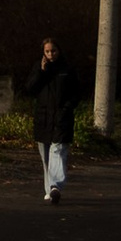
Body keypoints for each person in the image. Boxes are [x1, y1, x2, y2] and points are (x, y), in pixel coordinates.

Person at [28, 34, 78, 205]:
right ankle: (49, 189)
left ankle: (55, 186)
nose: (51, 55)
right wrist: (41, 73)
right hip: (43, 117)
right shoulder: (39, 68)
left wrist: (67, 108)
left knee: (58, 151)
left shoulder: (67, 69)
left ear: (59, 51)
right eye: (47, 51)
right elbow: (30, 89)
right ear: (43, 52)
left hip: (62, 116)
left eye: (54, 51)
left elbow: (76, 92)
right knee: (45, 155)